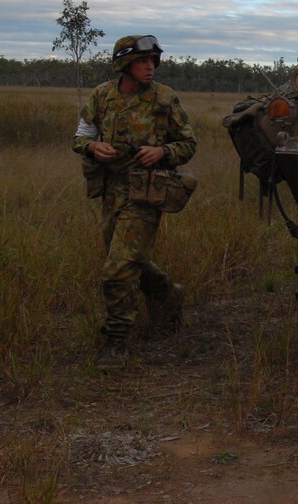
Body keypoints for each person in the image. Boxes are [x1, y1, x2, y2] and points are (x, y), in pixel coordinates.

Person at [72, 34, 197, 371]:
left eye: (153, 61)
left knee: (118, 267)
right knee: (131, 261)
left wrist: (163, 152)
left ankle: (115, 343)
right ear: (124, 66)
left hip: (145, 194)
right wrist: (92, 148)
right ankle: (168, 296)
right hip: (111, 192)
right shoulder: (101, 97)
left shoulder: (164, 99)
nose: (150, 67)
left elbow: (188, 143)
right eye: (143, 62)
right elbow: (81, 135)